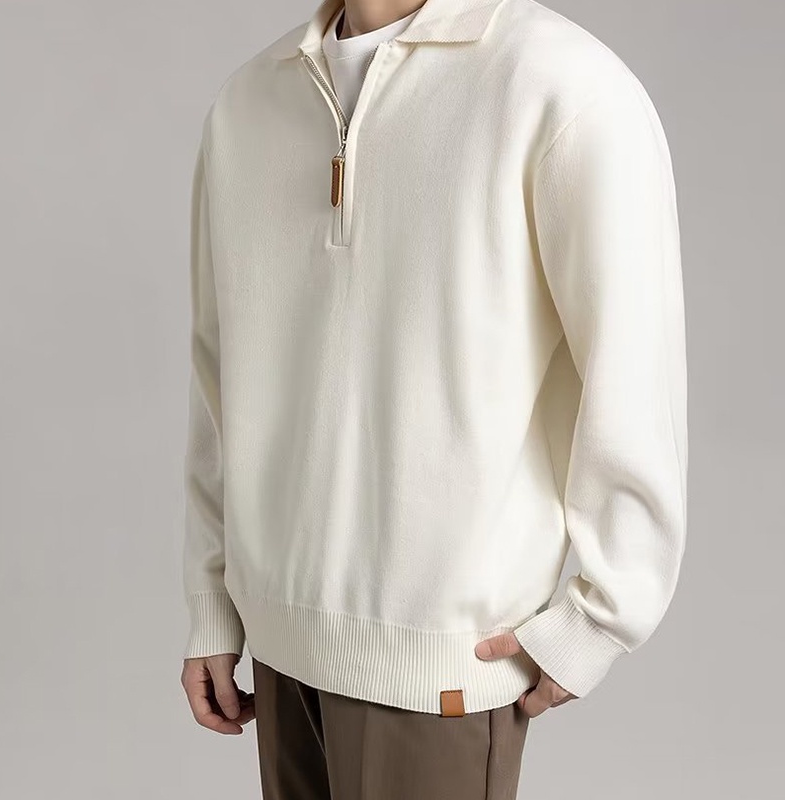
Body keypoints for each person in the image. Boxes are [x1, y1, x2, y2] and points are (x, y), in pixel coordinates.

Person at [178, 0, 688, 796]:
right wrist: (215, 599)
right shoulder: (248, 102)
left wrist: (598, 620)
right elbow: (221, 376)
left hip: (443, 661)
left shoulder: (561, 86)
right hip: (278, 647)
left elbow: (633, 367)